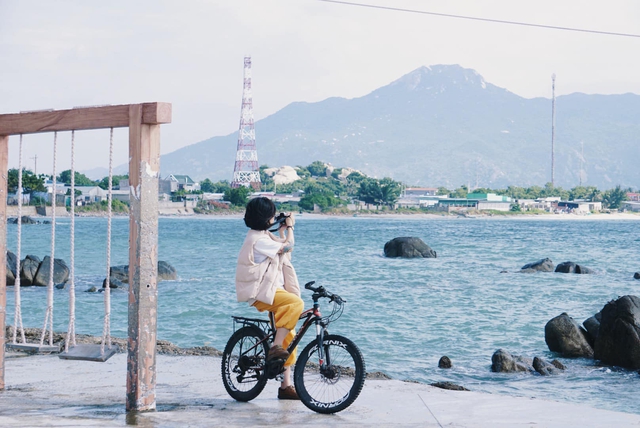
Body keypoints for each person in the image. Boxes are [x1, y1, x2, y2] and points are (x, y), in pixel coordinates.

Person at [235, 196, 303, 400]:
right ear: (266, 218)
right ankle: (274, 346)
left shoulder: (262, 235)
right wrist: (290, 227)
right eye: (272, 215)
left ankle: (285, 386)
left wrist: (282, 231)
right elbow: (288, 247)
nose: (274, 217)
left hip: (272, 291)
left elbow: (281, 246)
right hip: (261, 293)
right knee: (296, 303)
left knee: (289, 335)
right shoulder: (258, 239)